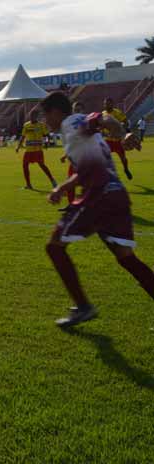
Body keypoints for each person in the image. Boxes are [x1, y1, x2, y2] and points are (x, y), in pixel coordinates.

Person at [40, 91, 152, 327]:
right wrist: (63, 187)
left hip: (98, 197)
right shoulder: (73, 135)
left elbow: (102, 119)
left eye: (45, 115)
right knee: (126, 258)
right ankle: (83, 307)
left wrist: (123, 133)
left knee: (54, 247)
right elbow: (85, 170)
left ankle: (83, 307)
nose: (44, 121)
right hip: (116, 196)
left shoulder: (72, 122)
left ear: (56, 112)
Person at [15, 109, 57, 189]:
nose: (32, 117)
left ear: (36, 116)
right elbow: (23, 137)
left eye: (33, 115)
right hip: (28, 151)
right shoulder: (26, 125)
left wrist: (47, 143)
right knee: (25, 165)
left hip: (38, 150)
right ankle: (28, 184)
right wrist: (18, 146)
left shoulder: (41, 125)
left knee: (42, 165)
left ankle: (53, 181)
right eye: (31, 115)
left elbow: (47, 135)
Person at [60, 101, 84, 204]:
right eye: (75, 110)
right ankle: (71, 205)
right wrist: (65, 155)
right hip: (73, 158)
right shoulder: (69, 124)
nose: (77, 112)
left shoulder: (86, 121)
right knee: (70, 181)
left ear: (82, 110)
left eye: (79, 110)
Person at [102, 97, 133, 180]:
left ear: (112, 104)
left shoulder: (117, 112)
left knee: (123, 158)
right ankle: (108, 174)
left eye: (109, 103)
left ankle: (126, 169)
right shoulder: (103, 113)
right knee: (103, 158)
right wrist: (102, 131)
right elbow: (101, 125)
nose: (107, 105)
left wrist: (123, 127)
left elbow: (125, 122)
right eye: (105, 103)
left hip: (118, 141)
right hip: (108, 141)